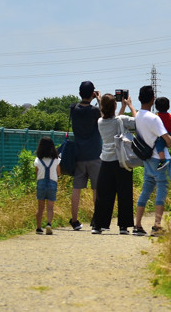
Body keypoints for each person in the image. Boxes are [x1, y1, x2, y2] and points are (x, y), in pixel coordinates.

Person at [92, 92, 138, 235]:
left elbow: (111, 118)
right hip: (121, 161)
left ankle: (98, 225)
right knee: (124, 193)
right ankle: (123, 226)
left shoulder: (100, 122)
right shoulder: (122, 119)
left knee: (104, 195)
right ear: (115, 105)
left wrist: (101, 101)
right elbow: (138, 122)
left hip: (105, 160)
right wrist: (130, 105)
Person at [133, 85, 171, 235]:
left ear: (139, 98)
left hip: (147, 159)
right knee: (161, 191)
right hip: (160, 160)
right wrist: (170, 141)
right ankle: (157, 226)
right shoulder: (154, 118)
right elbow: (167, 139)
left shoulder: (138, 116)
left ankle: (137, 225)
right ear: (153, 99)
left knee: (146, 190)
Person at [69, 80, 102, 231]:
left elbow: (78, 104)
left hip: (78, 154)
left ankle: (74, 220)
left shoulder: (73, 109)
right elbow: (104, 117)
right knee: (96, 189)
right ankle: (96, 220)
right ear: (93, 94)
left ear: (80, 93)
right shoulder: (95, 111)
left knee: (77, 188)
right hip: (95, 154)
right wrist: (99, 100)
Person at [34, 136, 61, 235]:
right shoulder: (56, 159)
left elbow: (36, 172)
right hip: (52, 183)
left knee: (40, 207)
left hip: (41, 183)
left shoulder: (37, 160)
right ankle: (49, 224)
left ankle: (38, 227)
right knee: (50, 207)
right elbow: (58, 173)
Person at [153, 96, 171, 171]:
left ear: (156, 107)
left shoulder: (157, 116)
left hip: (162, 135)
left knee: (159, 148)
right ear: (168, 107)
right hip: (170, 134)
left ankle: (163, 161)